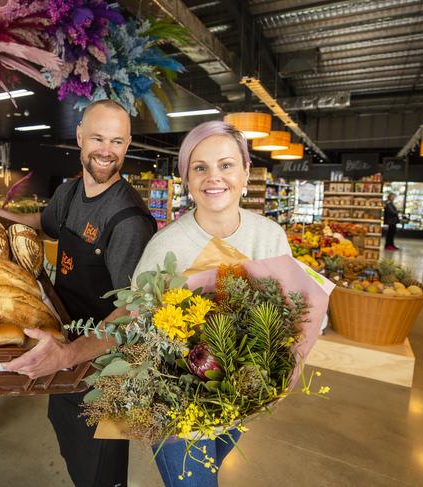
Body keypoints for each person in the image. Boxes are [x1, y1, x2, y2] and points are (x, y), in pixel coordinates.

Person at [0, 99, 156, 487]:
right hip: (65, 354)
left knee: (101, 472)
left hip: (104, 376)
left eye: (118, 141)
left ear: (127, 145)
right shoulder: (71, 192)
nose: (107, 150)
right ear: (78, 137)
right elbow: (41, 222)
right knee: (73, 453)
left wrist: (70, 354)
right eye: (97, 137)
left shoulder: (129, 222)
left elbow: (132, 314)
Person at [131, 121, 291, 487]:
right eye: (199, 167)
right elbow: (137, 324)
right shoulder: (165, 246)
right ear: (186, 178)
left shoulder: (269, 236)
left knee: (210, 472)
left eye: (226, 164)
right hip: (175, 405)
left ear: (246, 171)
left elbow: (290, 315)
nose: (213, 177)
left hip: (240, 401)